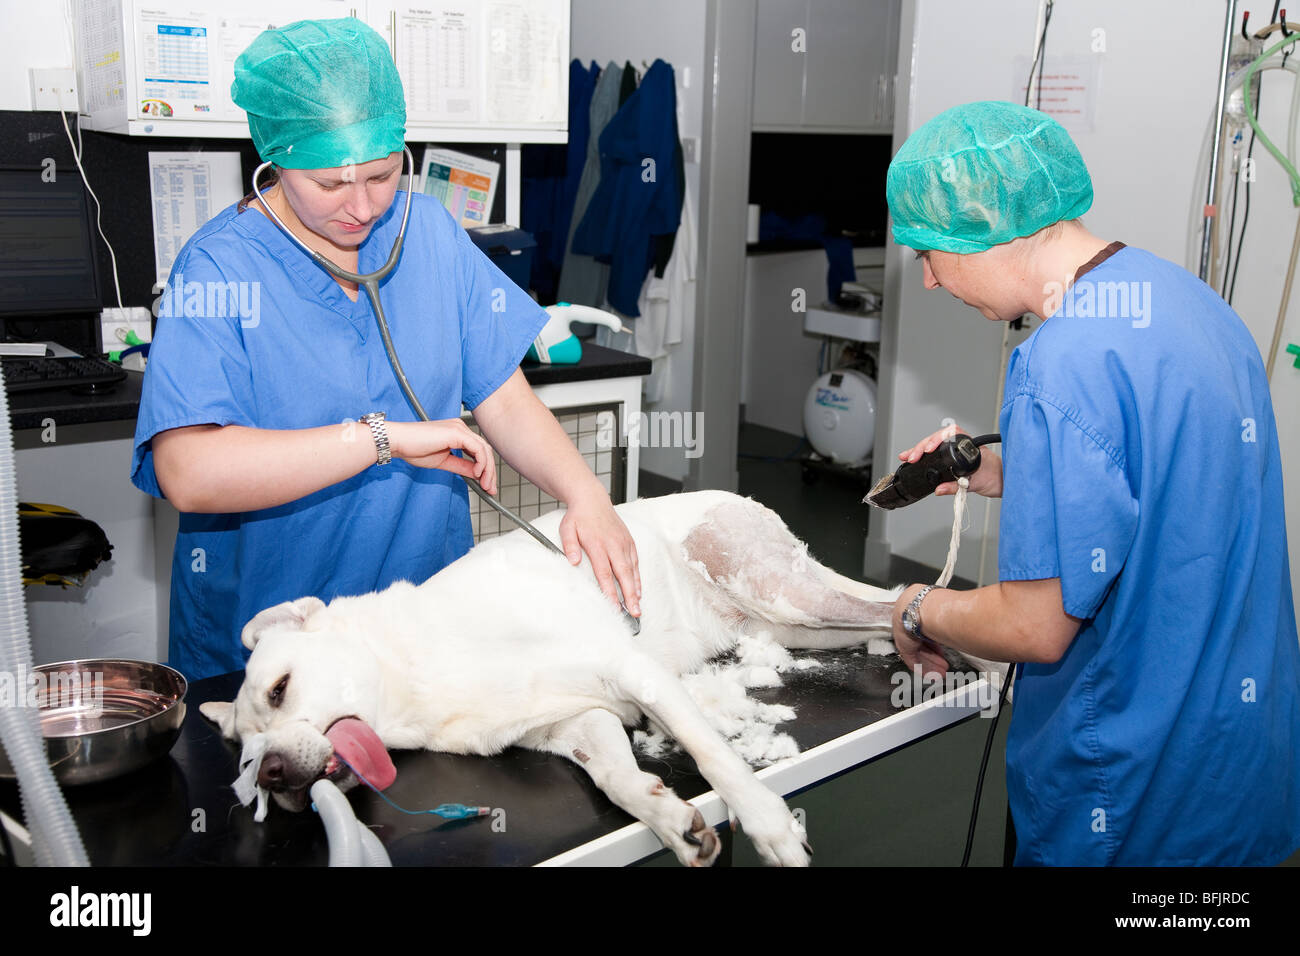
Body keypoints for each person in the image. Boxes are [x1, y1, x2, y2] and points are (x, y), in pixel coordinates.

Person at [131, 18, 640, 682]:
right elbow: (188, 472)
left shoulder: (426, 231)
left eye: (382, 173)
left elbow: (503, 398)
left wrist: (587, 497)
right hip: (269, 641)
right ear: (275, 160)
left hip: (420, 618)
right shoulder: (218, 270)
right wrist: (382, 439)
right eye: (330, 184)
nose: (363, 206)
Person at [884, 100, 1300, 865]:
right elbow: (1169, 482)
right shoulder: (1188, 302)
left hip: (1135, 794)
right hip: (1236, 764)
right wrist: (1001, 471)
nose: (933, 281)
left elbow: (1033, 629)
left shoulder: (1061, 360)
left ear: (983, 225)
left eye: (927, 252)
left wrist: (916, 608)